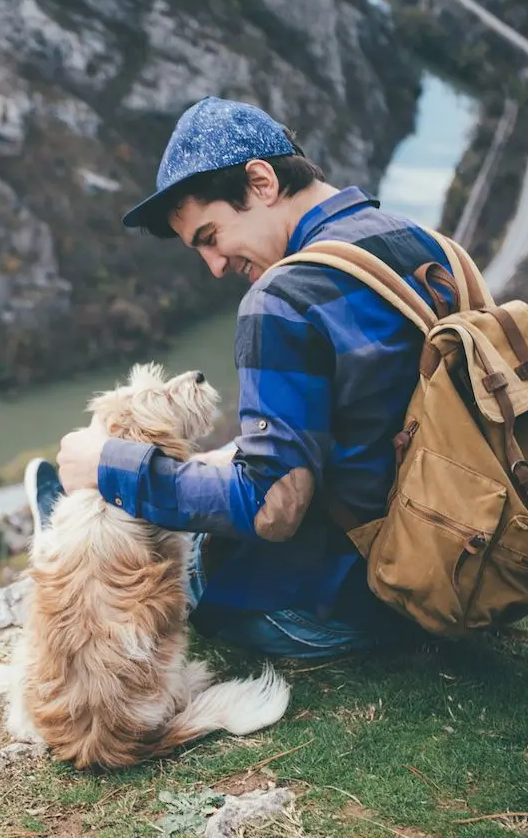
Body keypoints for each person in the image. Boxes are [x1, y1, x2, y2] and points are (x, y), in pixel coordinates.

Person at [24, 96, 456, 659]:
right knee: (216, 471)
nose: (215, 266)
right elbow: (363, 427)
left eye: (210, 236)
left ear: (261, 181)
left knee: (165, 547)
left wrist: (111, 467)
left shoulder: (283, 298)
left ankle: (66, 526)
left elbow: (272, 508)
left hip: (342, 607)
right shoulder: (423, 245)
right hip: (448, 571)